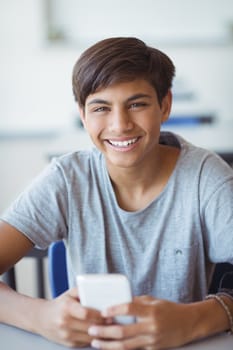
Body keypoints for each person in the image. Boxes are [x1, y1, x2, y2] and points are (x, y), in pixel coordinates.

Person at [0, 36, 233, 349]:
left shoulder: (206, 178)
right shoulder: (67, 179)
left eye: (137, 104)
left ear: (165, 105)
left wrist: (196, 319)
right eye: (101, 108)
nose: (120, 124)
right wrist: (38, 315)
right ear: (83, 115)